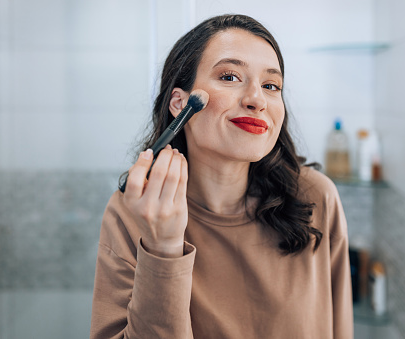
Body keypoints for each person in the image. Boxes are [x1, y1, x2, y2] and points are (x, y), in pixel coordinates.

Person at [90, 14, 353, 339]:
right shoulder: (135, 210)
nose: (257, 99)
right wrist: (163, 249)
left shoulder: (316, 197)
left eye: (271, 85)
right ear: (180, 103)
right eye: (230, 77)